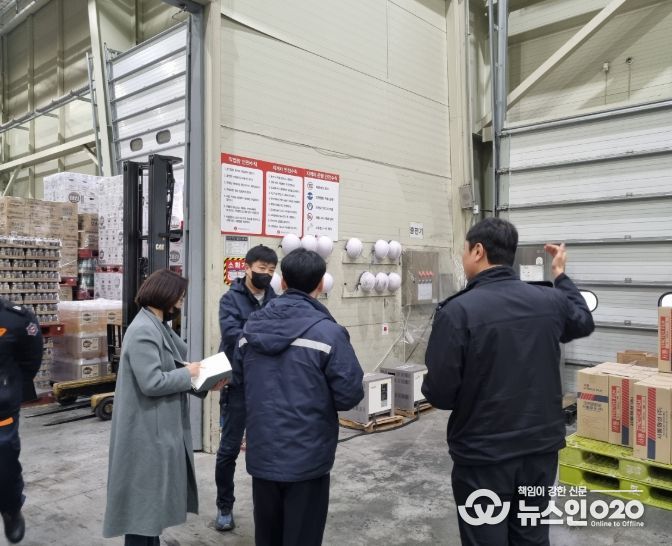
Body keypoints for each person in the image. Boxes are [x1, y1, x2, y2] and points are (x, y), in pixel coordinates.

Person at [422, 218, 595, 546]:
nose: (463, 257)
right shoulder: (549, 301)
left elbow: (440, 394)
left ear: (478, 251)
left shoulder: (457, 312)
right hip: (540, 451)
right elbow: (583, 321)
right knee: (532, 537)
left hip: (483, 457)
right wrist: (560, 275)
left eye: (464, 250)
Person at [238, 248, 364, 546]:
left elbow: (240, 381)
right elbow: (349, 395)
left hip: (263, 453)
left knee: (267, 536)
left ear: (282, 283)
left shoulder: (250, 330)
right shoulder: (329, 334)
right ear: (321, 284)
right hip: (307, 457)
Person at [103, 269, 225, 546]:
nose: (181, 300)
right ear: (164, 294)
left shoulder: (157, 326)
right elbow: (152, 382)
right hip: (145, 432)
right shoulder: (143, 330)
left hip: (156, 427)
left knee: (150, 506)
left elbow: (170, 370)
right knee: (142, 506)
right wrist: (190, 373)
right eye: (179, 295)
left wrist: (205, 382)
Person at [214, 245, 278, 532]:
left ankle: (268, 507)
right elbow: (232, 336)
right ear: (247, 267)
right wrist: (265, 335)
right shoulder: (230, 299)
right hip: (237, 384)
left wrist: (253, 335)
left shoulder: (276, 300)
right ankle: (224, 506)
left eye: (271, 270)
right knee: (228, 449)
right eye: (262, 269)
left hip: (267, 386)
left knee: (267, 448)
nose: (266, 274)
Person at [0, 299, 42, 544]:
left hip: (1, 408)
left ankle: (10, 507)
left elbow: (31, 358)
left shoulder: (16, 318)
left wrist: (10, 389)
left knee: (4, 463)